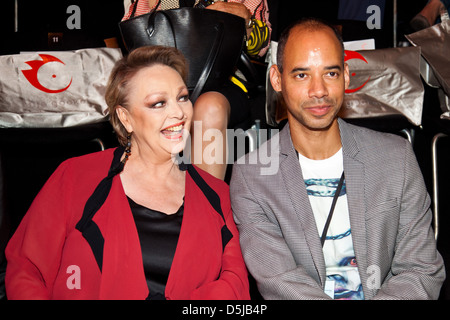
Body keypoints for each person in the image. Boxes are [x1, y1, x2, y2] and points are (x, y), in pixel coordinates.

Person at [5, 46, 250, 300]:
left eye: (183, 97)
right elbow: (27, 271)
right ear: (126, 118)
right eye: (158, 103)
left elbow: (235, 286)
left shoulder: (217, 196)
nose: (179, 112)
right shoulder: (75, 177)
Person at [230, 18, 445, 300]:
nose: (318, 91)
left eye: (329, 74)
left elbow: (421, 270)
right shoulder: (252, 176)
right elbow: (280, 282)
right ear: (277, 80)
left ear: (345, 75)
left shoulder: (396, 158)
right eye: (301, 75)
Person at [122, 0, 271, 180]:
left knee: (209, 106)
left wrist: (246, 22)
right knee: (140, 103)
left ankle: (205, 204)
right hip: (166, 84)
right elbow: (132, 37)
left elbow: (261, 47)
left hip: (225, 83)